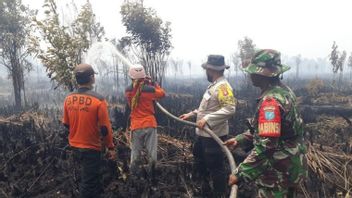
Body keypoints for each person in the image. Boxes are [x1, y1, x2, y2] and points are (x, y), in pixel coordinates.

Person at [225, 49, 307, 198]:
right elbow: (274, 130)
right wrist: (240, 139)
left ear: (261, 74)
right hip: (292, 167)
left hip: (277, 174)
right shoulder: (285, 92)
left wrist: (241, 173)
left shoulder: (270, 102)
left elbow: (267, 144)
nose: (250, 75)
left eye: (252, 71)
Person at [180, 55, 237, 197]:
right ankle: (204, 188)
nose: (206, 72)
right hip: (203, 134)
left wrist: (207, 119)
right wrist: (192, 114)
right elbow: (208, 107)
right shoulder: (213, 86)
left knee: (215, 166)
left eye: (207, 69)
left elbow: (230, 108)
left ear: (211, 70)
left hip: (214, 135)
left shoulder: (223, 87)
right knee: (199, 157)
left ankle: (220, 193)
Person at [62, 63, 116, 198]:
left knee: (87, 177)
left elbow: (66, 124)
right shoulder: (99, 100)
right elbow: (105, 128)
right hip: (91, 148)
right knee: (89, 183)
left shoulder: (68, 98)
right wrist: (110, 147)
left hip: (74, 146)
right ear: (91, 78)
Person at [125, 64, 166, 179]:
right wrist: (153, 83)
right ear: (144, 77)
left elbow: (135, 95)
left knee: (135, 154)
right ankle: (152, 177)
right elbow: (162, 93)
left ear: (131, 77)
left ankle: (133, 178)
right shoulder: (150, 90)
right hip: (150, 124)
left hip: (136, 126)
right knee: (152, 154)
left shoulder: (128, 91)